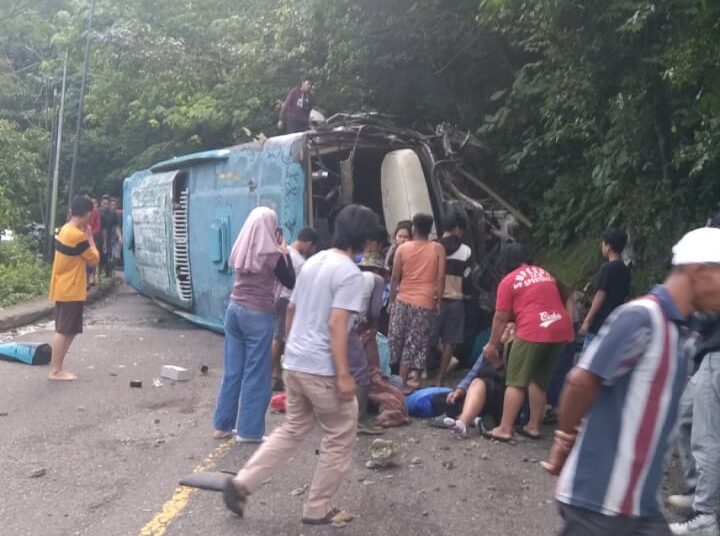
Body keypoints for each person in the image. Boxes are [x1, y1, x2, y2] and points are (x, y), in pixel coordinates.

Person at [542, 227, 720, 536]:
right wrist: (563, 440)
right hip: (599, 501)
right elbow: (581, 381)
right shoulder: (642, 318)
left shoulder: (685, 333)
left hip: (639, 505)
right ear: (700, 272)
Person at [222, 204, 381, 526]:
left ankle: (242, 483)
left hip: (295, 363)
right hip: (321, 368)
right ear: (364, 238)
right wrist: (344, 374)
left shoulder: (313, 263)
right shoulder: (350, 273)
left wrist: (292, 351)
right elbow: (338, 325)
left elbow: (292, 310)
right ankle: (317, 507)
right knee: (340, 431)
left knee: (293, 428)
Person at [212, 207, 295, 442]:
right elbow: (291, 280)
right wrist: (284, 252)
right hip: (257, 314)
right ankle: (249, 431)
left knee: (232, 371)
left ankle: (222, 426)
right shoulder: (272, 254)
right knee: (256, 373)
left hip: (233, 311)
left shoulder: (241, 247)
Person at [482, 244, 573, 442]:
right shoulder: (544, 273)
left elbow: (500, 317)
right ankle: (533, 426)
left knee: (515, 380)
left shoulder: (508, 281)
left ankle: (504, 428)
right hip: (560, 327)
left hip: (534, 328)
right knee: (538, 378)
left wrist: (492, 344)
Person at [388, 213, 446, 393]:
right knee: (415, 342)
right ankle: (406, 381)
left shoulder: (402, 249)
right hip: (424, 301)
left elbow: (395, 277)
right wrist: (438, 301)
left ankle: (396, 381)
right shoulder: (437, 248)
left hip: (403, 299)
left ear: (413, 229)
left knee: (397, 340)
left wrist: (391, 300)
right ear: (430, 230)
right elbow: (441, 278)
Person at [48, 196, 100, 381]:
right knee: (64, 329)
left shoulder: (64, 229)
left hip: (64, 285)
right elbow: (93, 259)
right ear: (87, 214)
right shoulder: (78, 236)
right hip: (71, 287)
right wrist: (91, 238)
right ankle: (56, 370)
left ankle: (57, 368)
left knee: (68, 329)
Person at [441, 323, 514, 438]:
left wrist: (497, 364)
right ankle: (471, 420)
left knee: (478, 383)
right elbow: (473, 372)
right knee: (450, 396)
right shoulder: (490, 348)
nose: (507, 331)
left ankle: (463, 422)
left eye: (511, 329)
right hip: (480, 392)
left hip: (502, 396)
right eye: (505, 328)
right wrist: (459, 390)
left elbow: (513, 383)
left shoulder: (516, 352)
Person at [271, 227, 319, 392]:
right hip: (287, 300)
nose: (311, 251)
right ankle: (272, 373)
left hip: (278, 298)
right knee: (280, 337)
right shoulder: (299, 261)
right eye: (312, 248)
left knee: (278, 336)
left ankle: (275, 372)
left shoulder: (286, 251)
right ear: (309, 243)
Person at [434, 210, 472, 385]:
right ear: (457, 229)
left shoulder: (433, 247)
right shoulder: (466, 250)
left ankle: (419, 374)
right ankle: (440, 378)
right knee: (450, 340)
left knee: (427, 337)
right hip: (456, 300)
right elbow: (468, 276)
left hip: (434, 299)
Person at [579, 228, 631, 348]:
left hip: (599, 324)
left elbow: (600, 295)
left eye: (603, 243)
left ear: (609, 247)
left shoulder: (606, 268)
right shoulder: (625, 271)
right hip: (614, 323)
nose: (601, 246)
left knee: (587, 362)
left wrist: (587, 320)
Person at [99, 195, 121, 278]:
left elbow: (116, 226)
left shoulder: (112, 213)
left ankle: (108, 274)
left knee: (108, 256)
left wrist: (119, 236)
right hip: (97, 237)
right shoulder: (98, 212)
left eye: (107, 203)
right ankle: (98, 274)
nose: (106, 205)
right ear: (101, 203)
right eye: (104, 203)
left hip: (108, 237)